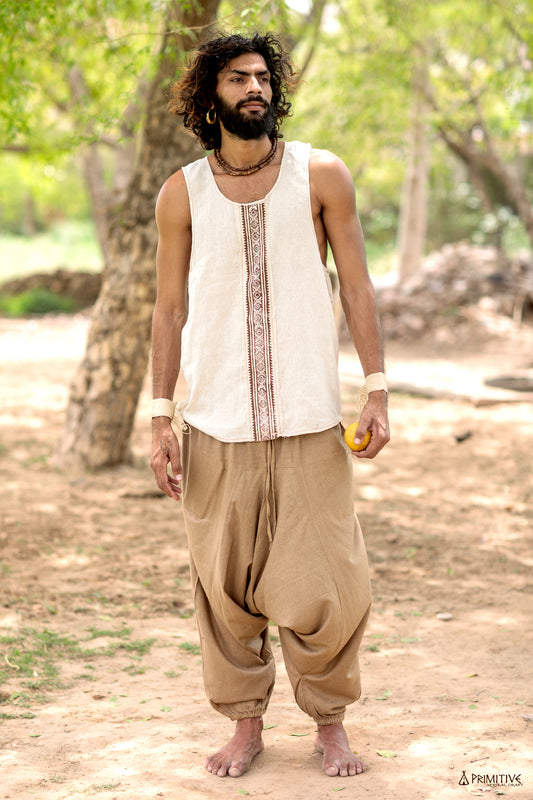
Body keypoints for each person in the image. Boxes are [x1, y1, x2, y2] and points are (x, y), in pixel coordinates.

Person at [149, 31, 390, 780]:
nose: (252, 87)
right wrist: (160, 415)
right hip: (214, 420)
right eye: (235, 78)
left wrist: (376, 388)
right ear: (207, 97)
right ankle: (245, 728)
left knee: (326, 582)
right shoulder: (179, 192)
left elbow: (355, 286)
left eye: (260, 77)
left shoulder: (320, 174)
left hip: (310, 418)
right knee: (224, 586)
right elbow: (165, 310)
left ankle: (329, 727)